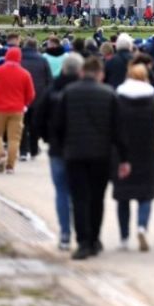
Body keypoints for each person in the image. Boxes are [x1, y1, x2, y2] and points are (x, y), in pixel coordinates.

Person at [55, 56, 120, 260]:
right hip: (101, 154)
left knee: (80, 198)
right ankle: (94, 238)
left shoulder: (69, 93)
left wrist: (61, 147)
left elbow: (58, 125)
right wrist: (123, 157)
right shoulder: (109, 94)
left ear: (82, 73)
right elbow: (119, 129)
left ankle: (83, 241)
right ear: (100, 74)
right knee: (97, 198)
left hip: (75, 153)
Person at [36, 53, 83, 251]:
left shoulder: (52, 89)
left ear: (63, 69)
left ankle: (65, 233)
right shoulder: (84, 89)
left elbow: (38, 117)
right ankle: (83, 234)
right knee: (80, 192)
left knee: (62, 192)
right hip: (80, 147)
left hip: (58, 147)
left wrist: (47, 137)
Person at [114, 63, 154, 252]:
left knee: (123, 194)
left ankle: (124, 237)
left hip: (123, 151)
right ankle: (142, 226)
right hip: (147, 150)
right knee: (145, 193)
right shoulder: (153, 99)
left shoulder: (118, 97)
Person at [0, 47, 35, 174]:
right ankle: (10, 166)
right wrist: (25, 104)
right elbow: (30, 94)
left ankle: (0, 154)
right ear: (19, 58)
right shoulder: (25, 73)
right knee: (14, 138)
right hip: (17, 110)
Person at [19, 38, 52, 162]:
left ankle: (23, 151)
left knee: (22, 125)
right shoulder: (43, 60)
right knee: (35, 125)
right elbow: (49, 80)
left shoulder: (20, 59)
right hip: (39, 98)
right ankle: (33, 149)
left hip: (22, 97)